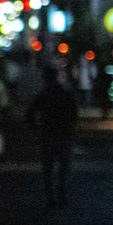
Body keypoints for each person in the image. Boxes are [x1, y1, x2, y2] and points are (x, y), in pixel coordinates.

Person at [27, 66, 78, 206]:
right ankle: (61, 193)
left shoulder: (43, 95)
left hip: (47, 135)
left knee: (48, 167)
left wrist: (37, 129)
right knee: (63, 166)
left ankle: (50, 195)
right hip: (64, 134)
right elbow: (74, 114)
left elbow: (29, 114)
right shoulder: (64, 93)